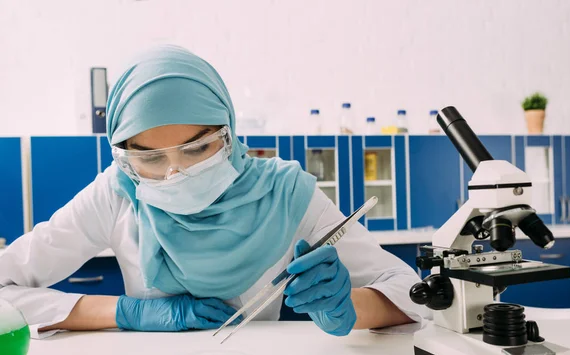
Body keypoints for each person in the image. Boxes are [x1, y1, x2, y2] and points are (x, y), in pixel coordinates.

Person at [0, 45, 428, 339]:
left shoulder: (285, 194)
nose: (175, 174)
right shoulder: (117, 193)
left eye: (197, 148)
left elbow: (409, 292)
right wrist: (123, 312)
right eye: (149, 157)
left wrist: (347, 308)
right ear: (122, 155)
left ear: (229, 132)